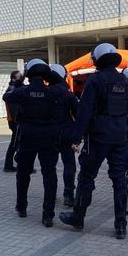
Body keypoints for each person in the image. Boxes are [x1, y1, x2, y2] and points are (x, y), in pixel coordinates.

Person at [59, 43, 128, 239]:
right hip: (120, 137)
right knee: (119, 180)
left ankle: (78, 217)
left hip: (97, 138)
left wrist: (76, 137)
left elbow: (84, 112)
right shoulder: (125, 81)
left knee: (86, 178)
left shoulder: (95, 81)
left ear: (97, 59)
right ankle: (121, 224)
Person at [3, 60, 61, 226]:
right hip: (48, 136)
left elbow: (6, 96)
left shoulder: (23, 91)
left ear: (28, 74)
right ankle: (48, 214)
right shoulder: (53, 92)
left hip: (28, 136)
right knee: (49, 174)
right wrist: (52, 76)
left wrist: (20, 81)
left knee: (23, 172)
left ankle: (22, 207)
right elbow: (62, 87)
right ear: (45, 75)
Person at [48, 64, 80, 207]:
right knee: (69, 165)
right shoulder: (68, 94)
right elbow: (78, 115)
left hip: (49, 134)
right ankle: (68, 195)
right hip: (67, 133)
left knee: (50, 166)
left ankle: (51, 193)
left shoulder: (46, 92)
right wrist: (78, 136)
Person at [3, 70, 24, 173]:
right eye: (19, 77)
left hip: (16, 121)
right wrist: (18, 122)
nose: (22, 78)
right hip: (15, 121)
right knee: (15, 143)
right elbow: (15, 108)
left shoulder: (17, 88)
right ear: (13, 79)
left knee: (17, 142)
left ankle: (17, 163)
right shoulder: (12, 90)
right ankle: (9, 165)